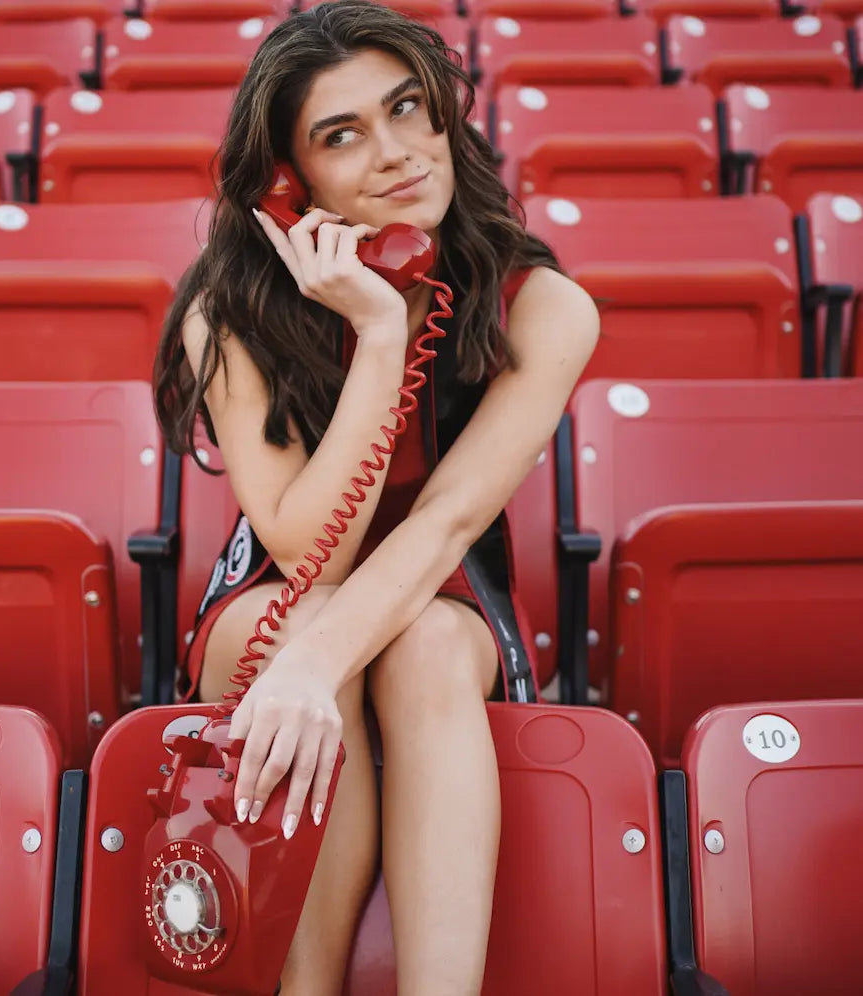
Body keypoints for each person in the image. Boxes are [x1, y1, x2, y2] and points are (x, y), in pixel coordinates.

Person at [153, 3, 599, 992]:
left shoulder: (548, 307)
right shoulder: (224, 309)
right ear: (287, 179)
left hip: (449, 589)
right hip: (274, 590)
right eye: (341, 134)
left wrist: (320, 658)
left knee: (427, 643)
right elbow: (309, 542)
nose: (397, 154)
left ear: (446, 114)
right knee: (293, 609)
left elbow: (443, 525)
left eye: (408, 108)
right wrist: (382, 336)